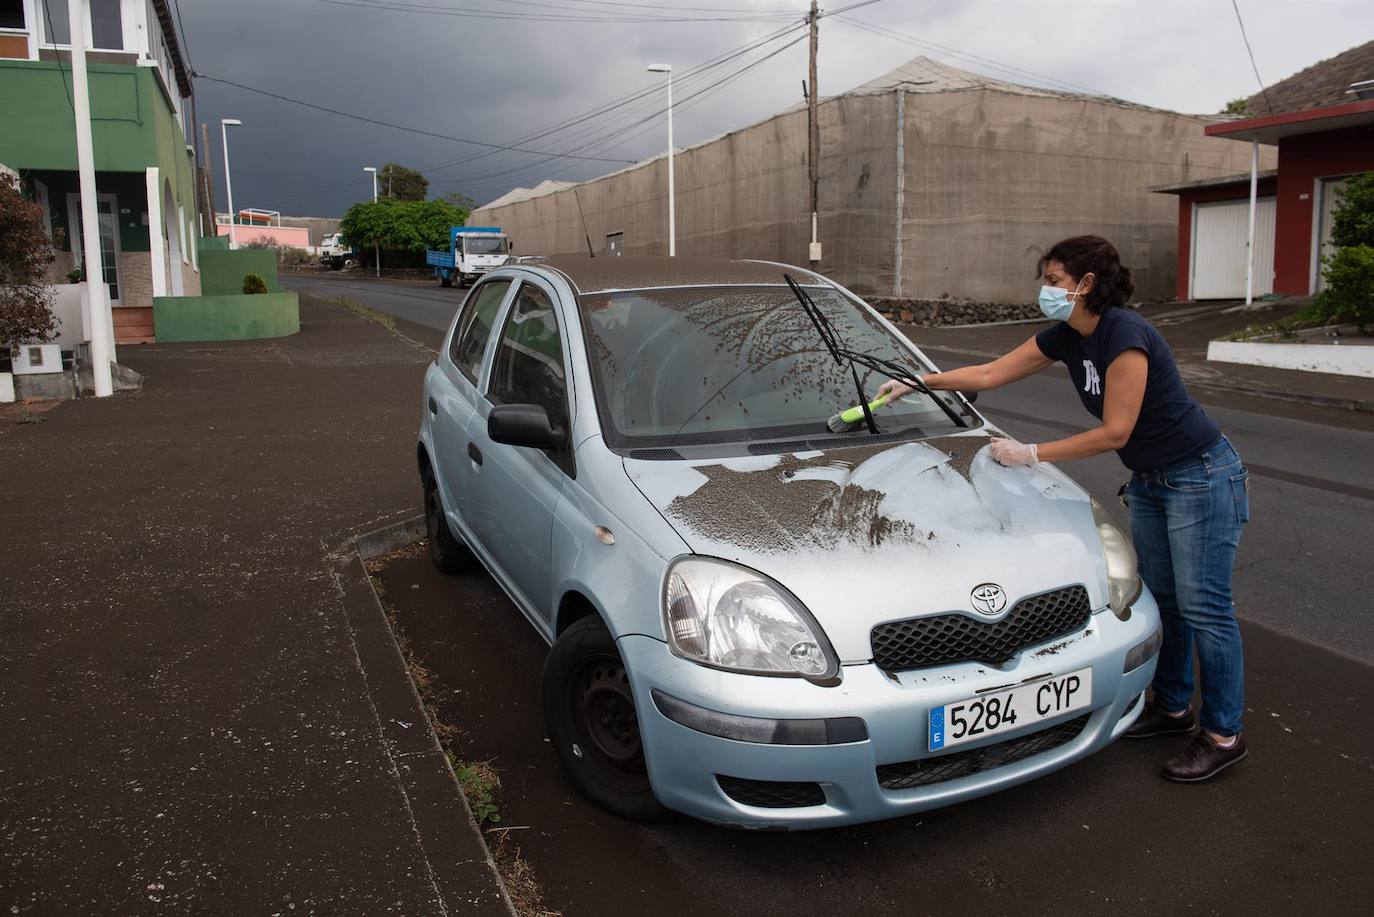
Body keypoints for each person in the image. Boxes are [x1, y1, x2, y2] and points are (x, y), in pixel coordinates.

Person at [878, 235, 1250, 783]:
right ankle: (1172, 707)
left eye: (1053, 280)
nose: (1045, 290)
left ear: (1086, 285)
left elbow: (1115, 431)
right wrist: (918, 383)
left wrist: (1031, 453)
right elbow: (990, 374)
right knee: (1168, 600)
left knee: (1205, 607)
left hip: (1201, 475)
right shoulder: (1066, 336)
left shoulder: (1125, 335)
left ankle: (1223, 734)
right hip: (1150, 481)